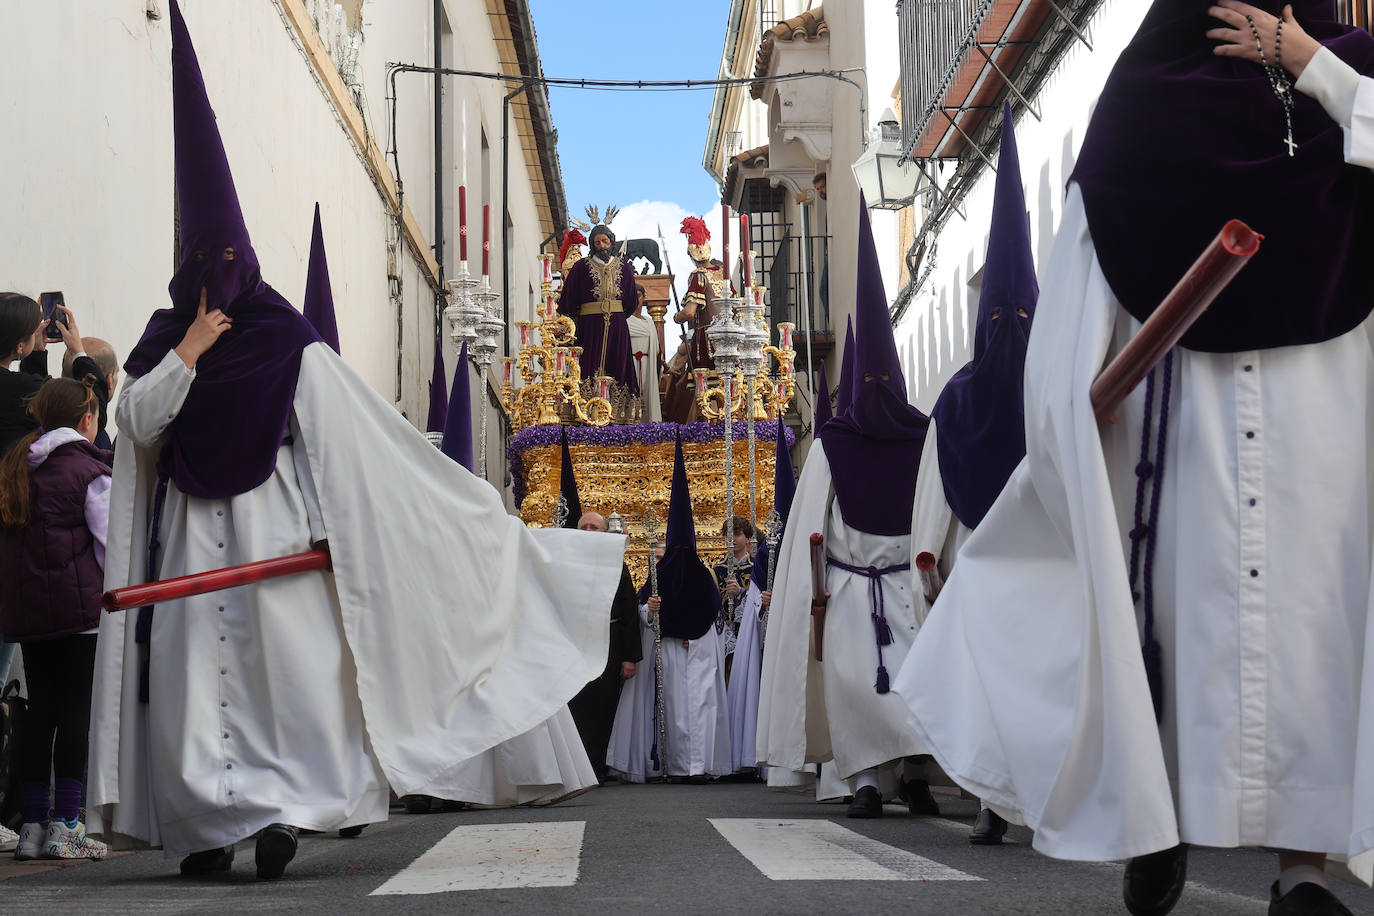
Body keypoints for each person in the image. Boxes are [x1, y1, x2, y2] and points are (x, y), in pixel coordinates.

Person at [90, 2, 626, 880]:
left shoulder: (290, 344)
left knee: (289, 687)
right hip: (192, 544)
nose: (215, 284)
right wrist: (187, 353)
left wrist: (440, 513)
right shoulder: (162, 341)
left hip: (278, 542)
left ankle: (279, 818)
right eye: (202, 273)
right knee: (196, 693)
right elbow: (138, 425)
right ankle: (207, 829)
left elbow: (362, 445)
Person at [898, 3, 1374, 913]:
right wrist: (1073, 404)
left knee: (1314, 639)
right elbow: (1089, 246)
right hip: (1181, 421)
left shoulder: (1345, 63)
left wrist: (1309, 59)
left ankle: (1301, 871)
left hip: (1324, 405)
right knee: (1180, 636)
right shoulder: (1149, 85)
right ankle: (1154, 829)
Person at [756, 196, 938, 820]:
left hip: (883, 587)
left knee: (904, 685)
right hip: (867, 588)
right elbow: (814, 522)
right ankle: (866, 779)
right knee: (861, 685)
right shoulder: (892, 439)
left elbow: (811, 521)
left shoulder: (857, 443)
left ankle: (909, 775)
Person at [895, 100, 1036, 848]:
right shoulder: (1049, 379)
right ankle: (1001, 799)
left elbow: (934, 493)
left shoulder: (959, 393)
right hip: (1024, 569)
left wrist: (930, 556)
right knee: (1016, 686)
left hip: (996, 569)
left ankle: (1000, 800)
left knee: (1005, 687)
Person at [0, 377, 111, 861]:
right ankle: (68, 825)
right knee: (75, 712)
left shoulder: (14, 465)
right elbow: (110, 544)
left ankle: (32, 830)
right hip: (78, 611)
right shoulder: (87, 469)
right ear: (87, 419)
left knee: (39, 711)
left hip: (26, 612)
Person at [607, 438, 731, 782]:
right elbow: (641, 610)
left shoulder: (703, 575)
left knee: (702, 708)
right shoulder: (657, 575)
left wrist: (701, 639)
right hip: (670, 654)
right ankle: (676, 765)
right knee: (674, 710)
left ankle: (701, 765)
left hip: (698, 653)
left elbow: (714, 615)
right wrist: (651, 608)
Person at [727, 422, 794, 776]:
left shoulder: (761, 558)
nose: (734, 540)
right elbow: (751, 606)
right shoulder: (754, 562)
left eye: (738, 534)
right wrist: (756, 602)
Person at [567, 510, 643, 784]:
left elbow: (629, 611)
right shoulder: (567, 563)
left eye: (594, 527)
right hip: (576, 645)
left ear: (604, 532)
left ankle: (596, 766)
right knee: (576, 704)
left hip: (609, 642)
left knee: (603, 704)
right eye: (584, 527)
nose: (588, 531)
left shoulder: (615, 565)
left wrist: (629, 657)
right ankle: (576, 767)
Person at [557, 224, 639, 394]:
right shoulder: (581, 267)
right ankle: (588, 405)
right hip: (589, 326)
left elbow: (632, 300)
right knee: (589, 364)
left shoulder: (624, 267)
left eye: (605, 241)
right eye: (597, 242)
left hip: (617, 325)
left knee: (618, 363)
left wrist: (618, 315)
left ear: (611, 242)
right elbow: (568, 298)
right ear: (592, 245)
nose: (602, 246)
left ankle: (619, 410)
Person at [62, 336, 120, 449]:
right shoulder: (97, 438)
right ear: (109, 381)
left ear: (62, 376)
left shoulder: (44, 420)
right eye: (116, 372)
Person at [715, 515, 756, 668]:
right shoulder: (716, 571)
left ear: (748, 538)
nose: (731, 539)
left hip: (751, 635)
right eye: (728, 535)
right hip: (723, 638)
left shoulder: (756, 569)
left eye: (737, 534)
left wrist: (741, 593)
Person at [626, 283, 662, 422]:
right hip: (630, 364)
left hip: (648, 365)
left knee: (648, 395)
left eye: (639, 296)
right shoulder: (624, 320)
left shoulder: (649, 322)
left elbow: (656, 349)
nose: (636, 299)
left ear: (644, 297)